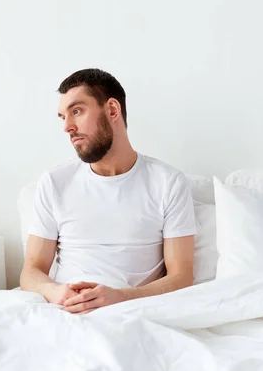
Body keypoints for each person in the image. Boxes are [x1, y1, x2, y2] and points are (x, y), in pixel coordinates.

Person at [19, 68, 197, 314]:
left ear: (112, 110)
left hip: (130, 311)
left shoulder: (167, 182)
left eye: (77, 111)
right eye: (63, 117)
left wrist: (122, 298)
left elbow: (181, 277)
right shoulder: (54, 182)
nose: (67, 127)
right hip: (62, 311)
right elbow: (31, 271)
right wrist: (57, 293)